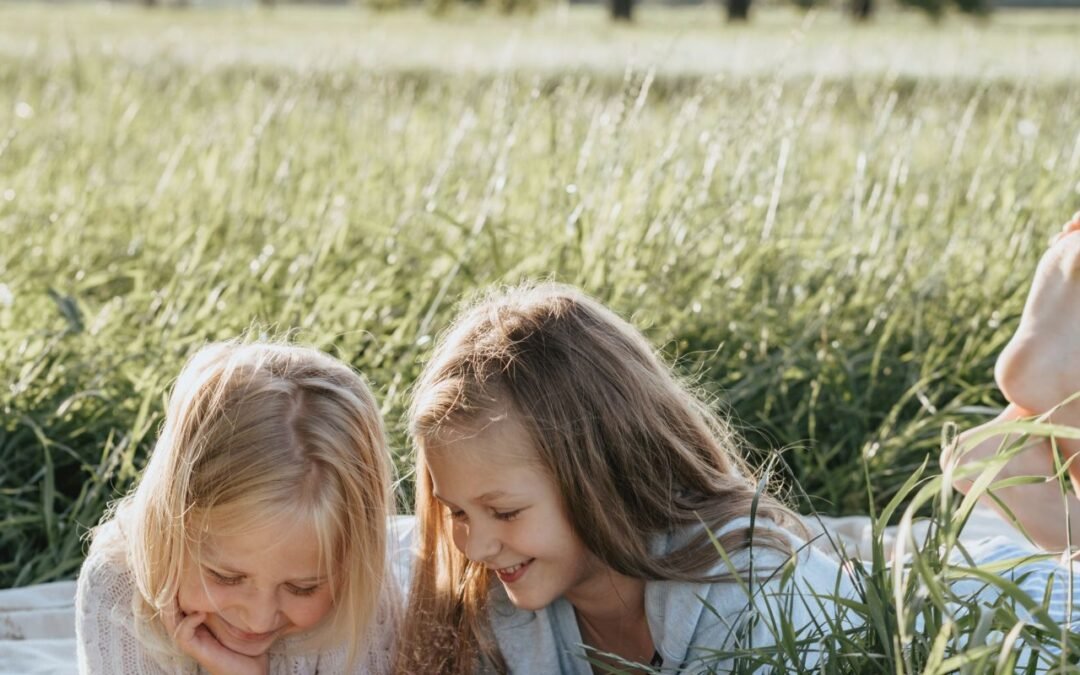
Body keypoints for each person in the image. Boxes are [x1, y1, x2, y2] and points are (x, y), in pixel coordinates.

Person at [395, 282, 858, 674]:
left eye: (504, 512)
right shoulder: (496, 603)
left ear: (602, 475)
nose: (475, 547)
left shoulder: (752, 594)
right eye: (456, 511)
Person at [75, 342, 398, 675]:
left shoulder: (360, 587)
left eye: (303, 588)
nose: (258, 619)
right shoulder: (118, 589)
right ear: (170, 526)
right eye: (226, 578)